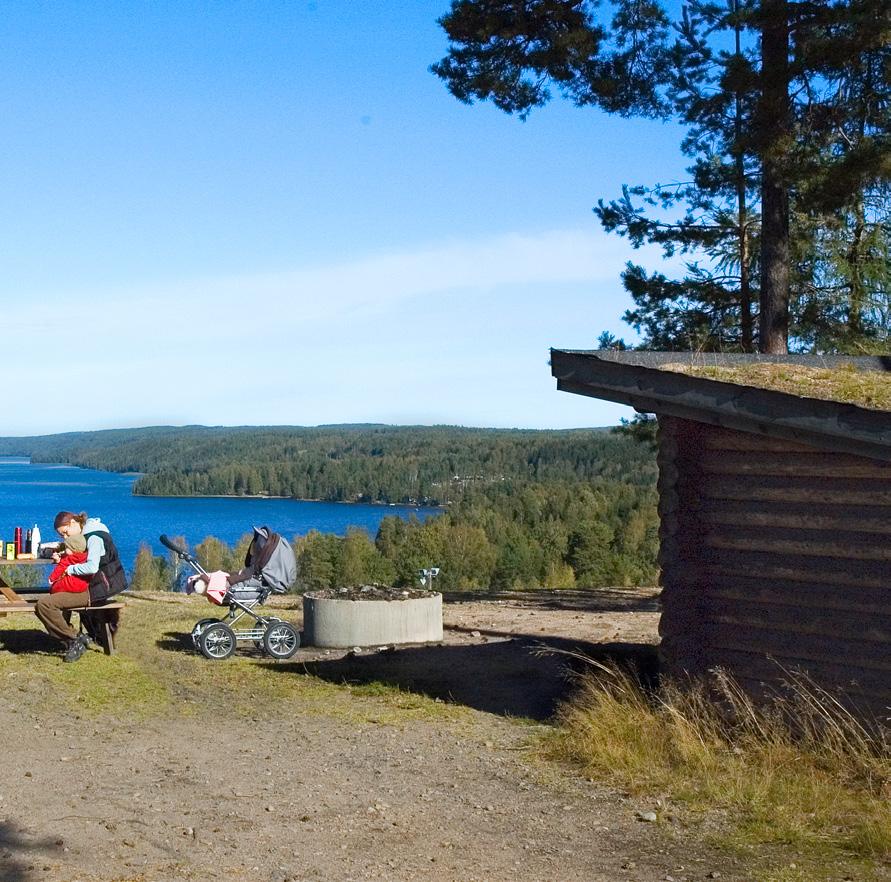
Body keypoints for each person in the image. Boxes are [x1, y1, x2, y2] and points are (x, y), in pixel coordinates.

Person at [34, 511, 128, 662]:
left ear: (72, 523)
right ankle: (74, 639)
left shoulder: (94, 537)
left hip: (95, 590)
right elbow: (82, 559)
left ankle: (74, 640)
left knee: (44, 605)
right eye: (62, 536)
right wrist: (65, 559)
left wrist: (68, 569)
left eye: (65, 533)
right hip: (90, 586)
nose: (65, 537)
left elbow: (91, 567)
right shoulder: (86, 535)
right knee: (48, 601)